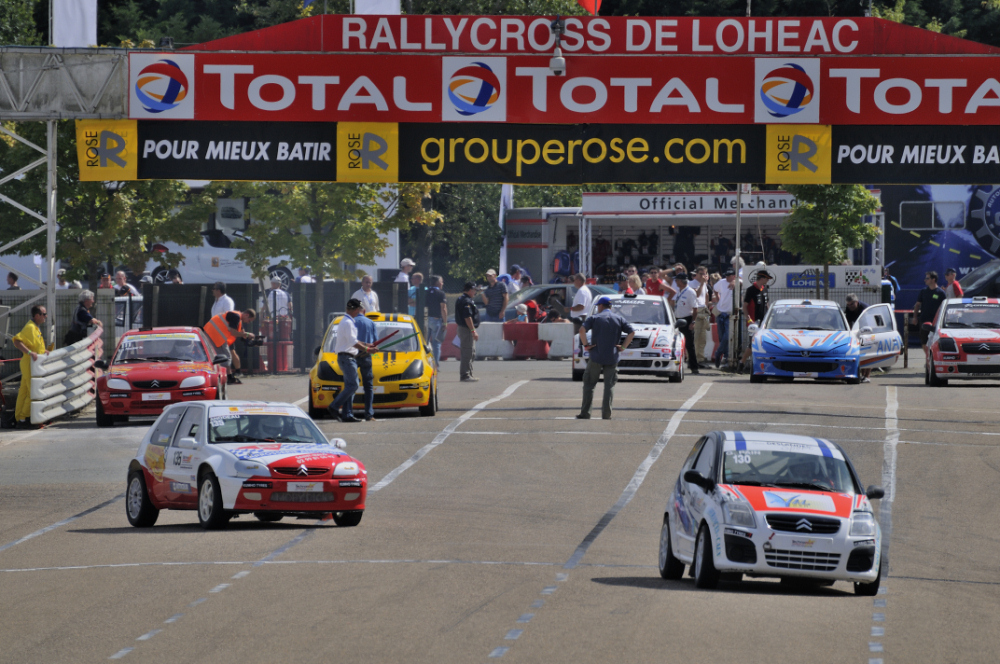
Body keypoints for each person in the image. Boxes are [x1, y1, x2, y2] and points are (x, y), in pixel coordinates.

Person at [576, 296, 635, 420]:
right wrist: (623, 347)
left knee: (589, 384)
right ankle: (607, 414)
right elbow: (631, 332)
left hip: (596, 355)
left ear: (601, 306)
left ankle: (586, 413)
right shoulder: (619, 319)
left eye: (598, 306)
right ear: (610, 307)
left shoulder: (594, 318)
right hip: (612, 356)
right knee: (609, 386)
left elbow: (582, 330)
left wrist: (586, 345)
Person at [326, 299, 375, 423]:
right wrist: (367, 349)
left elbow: (352, 340)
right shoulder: (348, 322)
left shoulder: (347, 321)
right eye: (358, 309)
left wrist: (367, 345)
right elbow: (353, 342)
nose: (359, 311)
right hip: (347, 357)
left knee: (350, 385)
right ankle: (334, 406)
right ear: (354, 309)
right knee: (354, 384)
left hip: (346, 357)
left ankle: (347, 415)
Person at [203, 307, 256, 385]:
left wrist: (249, 338)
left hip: (211, 333)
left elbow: (242, 332)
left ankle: (226, 377)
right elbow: (233, 333)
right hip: (215, 336)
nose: (248, 322)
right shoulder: (236, 317)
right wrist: (247, 334)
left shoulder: (237, 316)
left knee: (218, 356)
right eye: (249, 320)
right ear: (247, 315)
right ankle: (228, 378)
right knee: (226, 357)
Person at [740, 271, 771, 370]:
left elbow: (767, 304)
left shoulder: (765, 289)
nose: (767, 281)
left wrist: (769, 317)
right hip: (754, 322)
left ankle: (757, 364)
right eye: (766, 279)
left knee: (764, 344)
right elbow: (745, 306)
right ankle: (742, 363)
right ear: (762, 278)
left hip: (764, 322)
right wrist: (748, 318)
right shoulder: (751, 290)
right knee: (753, 344)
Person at [353, 309, 378, 422]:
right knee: (368, 386)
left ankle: (348, 411)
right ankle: (369, 414)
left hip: (352, 355)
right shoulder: (370, 322)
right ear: (364, 310)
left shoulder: (351, 321)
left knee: (351, 385)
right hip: (366, 356)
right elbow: (375, 341)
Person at [673, 273, 701, 376]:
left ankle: (694, 367)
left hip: (687, 319)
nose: (676, 282)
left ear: (680, 281)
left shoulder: (690, 292)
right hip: (678, 319)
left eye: (677, 280)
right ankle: (677, 364)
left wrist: (693, 322)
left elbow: (695, 309)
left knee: (689, 344)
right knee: (676, 344)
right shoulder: (679, 291)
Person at [914, 270, 947, 352]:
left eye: (927, 278)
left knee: (935, 341)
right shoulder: (923, 291)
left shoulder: (941, 293)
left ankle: (933, 359)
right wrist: (915, 317)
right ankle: (928, 359)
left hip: (936, 322)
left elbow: (944, 307)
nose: (925, 280)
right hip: (924, 320)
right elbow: (917, 305)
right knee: (924, 341)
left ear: (933, 279)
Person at [456, 281, 480, 382]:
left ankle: (469, 373)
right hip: (466, 329)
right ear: (470, 290)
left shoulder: (462, 299)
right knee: (467, 352)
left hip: (464, 328)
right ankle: (465, 375)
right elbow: (467, 317)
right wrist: (473, 330)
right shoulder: (466, 301)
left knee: (471, 352)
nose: (475, 292)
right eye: (474, 290)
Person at [712, 269, 736, 369]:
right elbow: (715, 289)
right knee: (722, 337)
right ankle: (725, 357)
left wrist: (734, 282)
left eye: (729, 276)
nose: (727, 277)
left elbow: (741, 281)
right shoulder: (721, 282)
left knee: (727, 336)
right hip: (721, 312)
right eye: (726, 275)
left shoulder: (738, 282)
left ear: (733, 276)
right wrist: (718, 300)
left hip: (730, 314)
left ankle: (718, 353)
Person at [425, 276, 448, 366]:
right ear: (438, 283)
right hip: (436, 320)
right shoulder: (440, 293)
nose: (442, 283)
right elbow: (443, 308)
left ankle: (425, 363)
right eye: (441, 282)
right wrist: (445, 322)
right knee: (436, 343)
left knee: (424, 343)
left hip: (425, 319)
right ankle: (435, 365)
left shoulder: (425, 292)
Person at [692, 265, 712, 367]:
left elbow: (706, 295)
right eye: (701, 274)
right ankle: (694, 359)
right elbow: (697, 294)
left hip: (703, 310)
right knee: (696, 336)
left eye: (705, 273)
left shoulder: (704, 285)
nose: (703, 276)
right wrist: (703, 283)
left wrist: (707, 306)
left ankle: (700, 358)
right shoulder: (693, 283)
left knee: (702, 337)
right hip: (696, 310)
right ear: (697, 274)